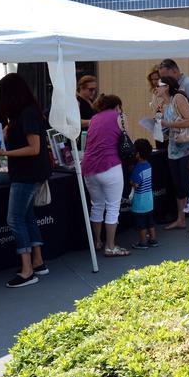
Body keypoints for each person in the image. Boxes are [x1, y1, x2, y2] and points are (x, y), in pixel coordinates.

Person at [0, 73, 51, 288]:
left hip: (27, 174)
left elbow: (34, 148)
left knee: (15, 219)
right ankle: (37, 261)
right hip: (29, 172)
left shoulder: (27, 114)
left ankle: (27, 270)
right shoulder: (24, 113)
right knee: (27, 217)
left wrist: (5, 154)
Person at [80, 93, 129, 257]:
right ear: (117, 106)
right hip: (110, 165)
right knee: (113, 207)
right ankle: (110, 246)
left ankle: (97, 242)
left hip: (88, 167)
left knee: (97, 205)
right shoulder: (119, 116)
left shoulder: (94, 119)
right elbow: (127, 139)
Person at [155, 75, 189, 230]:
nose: (156, 88)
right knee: (177, 186)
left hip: (185, 149)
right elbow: (167, 128)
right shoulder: (165, 104)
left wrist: (168, 123)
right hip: (173, 149)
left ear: (166, 86)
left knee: (184, 186)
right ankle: (181, 218)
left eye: (158, 85)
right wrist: (159, 127)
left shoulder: (178, 98)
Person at [129, 138, 158, 250]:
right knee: (150, 222)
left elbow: (136, 184)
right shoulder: (148, 165)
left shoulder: (138, 168)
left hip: (140, 201)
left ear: (138, 154)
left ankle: (143, 242)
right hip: (149, 200)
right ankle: (153, 239)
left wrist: (131, 181)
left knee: (141, 224)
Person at [146, 67, 167, 150]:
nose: (154, 81)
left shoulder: (166, 92)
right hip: (158, 127)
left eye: (157, 78)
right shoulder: (155, 92)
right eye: (152, 79)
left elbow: (162, 109)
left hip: (166, 128)